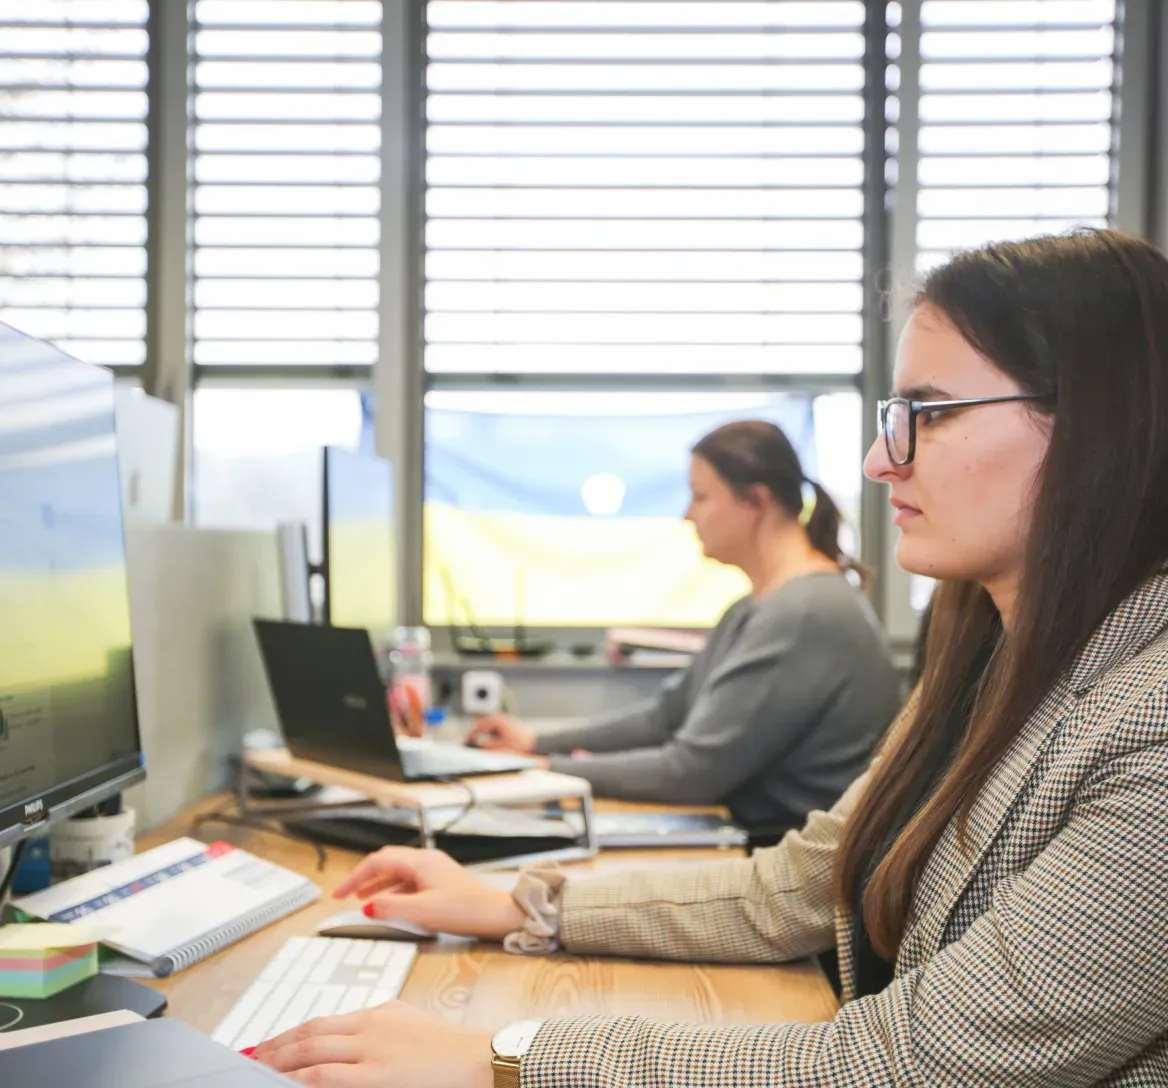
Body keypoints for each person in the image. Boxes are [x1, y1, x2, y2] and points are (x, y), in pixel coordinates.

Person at [252, 228, 1168, 1087]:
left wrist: (503, 1058)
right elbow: (801, 882)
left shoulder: (1150, 722)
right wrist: (528, 905)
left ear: (1098, 424)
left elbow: (908, 1062)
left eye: (928, 413)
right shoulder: (984, 652)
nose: (882, 461)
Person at [467, 419, 902, 840]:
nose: (687, 515)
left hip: (779, 852)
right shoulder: (756, 607)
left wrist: (541, 769)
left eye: (700, 497)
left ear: (756, 501)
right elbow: (667, 715)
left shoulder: (805, 614)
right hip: (753, 835)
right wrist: (536, 741)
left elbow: (691, 771)